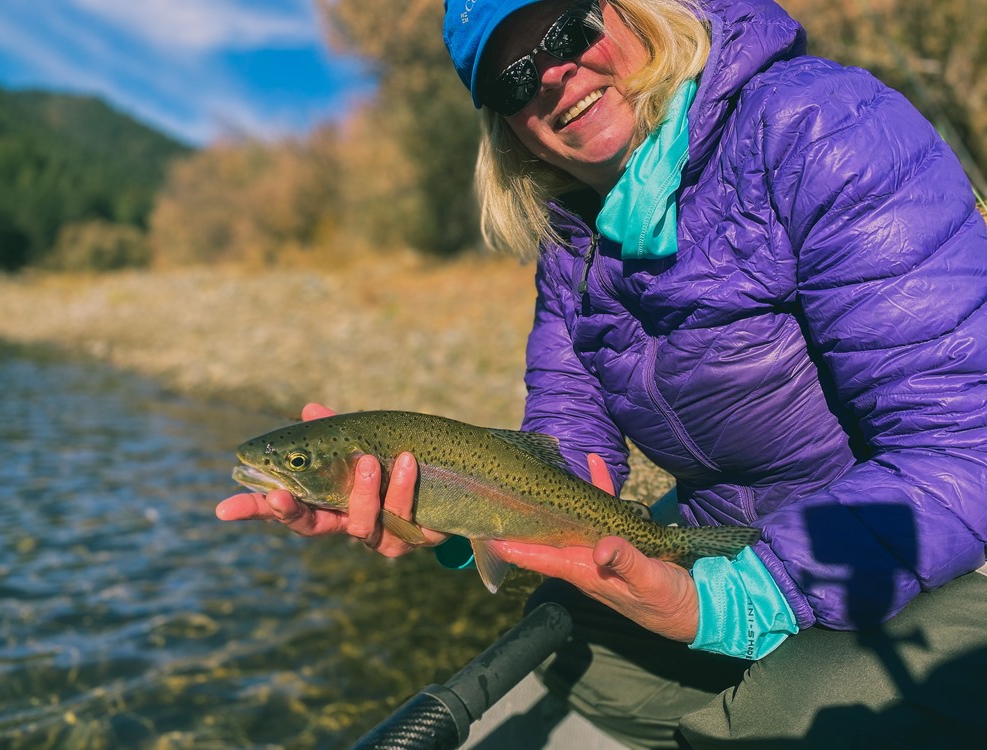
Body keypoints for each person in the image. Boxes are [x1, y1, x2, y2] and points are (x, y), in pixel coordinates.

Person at [218, 0, 987, 746]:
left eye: (567, 26)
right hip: (728, 544)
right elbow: (565, 441)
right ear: (504, 122)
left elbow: (966, 445)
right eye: (514, 79)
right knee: (576, 655)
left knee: (783, 718)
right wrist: (452, 513)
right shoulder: (569, 239)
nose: (551, 75)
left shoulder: (819, 128)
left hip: (938, 538)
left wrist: (747, 597)